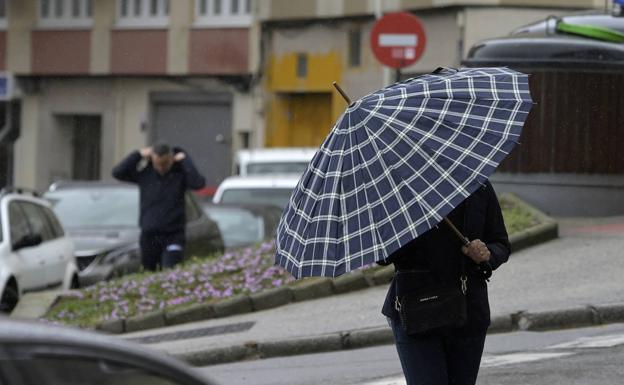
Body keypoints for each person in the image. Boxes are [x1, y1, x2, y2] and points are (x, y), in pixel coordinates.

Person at [380, 180, 510, 385]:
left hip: (468, 311)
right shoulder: (397, 190)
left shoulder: (477, 184)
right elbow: (383, 255)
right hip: (415, 312)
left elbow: (500, 242)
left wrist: (486, 253)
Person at [112, 143, 206, 271]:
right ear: (152, 159)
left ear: (172, 159)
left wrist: (185, 159)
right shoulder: (145, 175)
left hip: (173, 234)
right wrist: (138, 155)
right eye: (158, 163)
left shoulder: (179, 175)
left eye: (165, 163)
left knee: (170, 269)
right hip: (149, 235)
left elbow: (198, 183)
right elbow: (117, 173)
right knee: (149, 271)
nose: (161, 167)